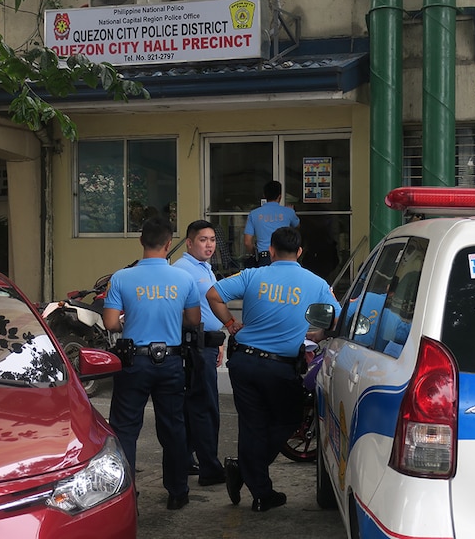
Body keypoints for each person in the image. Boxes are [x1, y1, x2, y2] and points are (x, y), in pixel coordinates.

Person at [206, 226, 341, 512]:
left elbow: (212, 294)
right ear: (300, 252)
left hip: (244, 362)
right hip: (279, 368)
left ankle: (256, 485)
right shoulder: (316, 283)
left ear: (272, 251)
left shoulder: (253, 275)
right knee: (289, 420)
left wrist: (231, 323)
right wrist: (320, 335)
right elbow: (337, 321)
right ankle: (253, 482)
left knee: (252, 426)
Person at [102, 216, 201, 511]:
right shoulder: (184, 279)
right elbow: (194, 320)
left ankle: (126, 493)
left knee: (125, 429)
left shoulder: (121, 277)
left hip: (134, 362)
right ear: (169, 244)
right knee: (173, 428)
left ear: (141, 241)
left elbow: (110, 322)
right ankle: (177, 492)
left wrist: (129, 320)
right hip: (171, 362)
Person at [172, 220, 228, 487]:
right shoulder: (184, 270)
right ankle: (210, 468)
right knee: (205, 407)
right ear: (190, 242)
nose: (209, 245)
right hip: (195, 345)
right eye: (203, 240)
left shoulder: (202, 268)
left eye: (213, 240)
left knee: (194, 405)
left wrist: (217, 341)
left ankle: (186, 459)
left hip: (205, 342)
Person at [244, 180, 300, 266]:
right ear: (280, 196)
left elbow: (247, 242)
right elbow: (298, 228)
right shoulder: (289, 212)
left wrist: (255, 253)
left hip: (264, 257)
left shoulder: (254, 214)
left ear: (264, 196)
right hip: (285, 255)